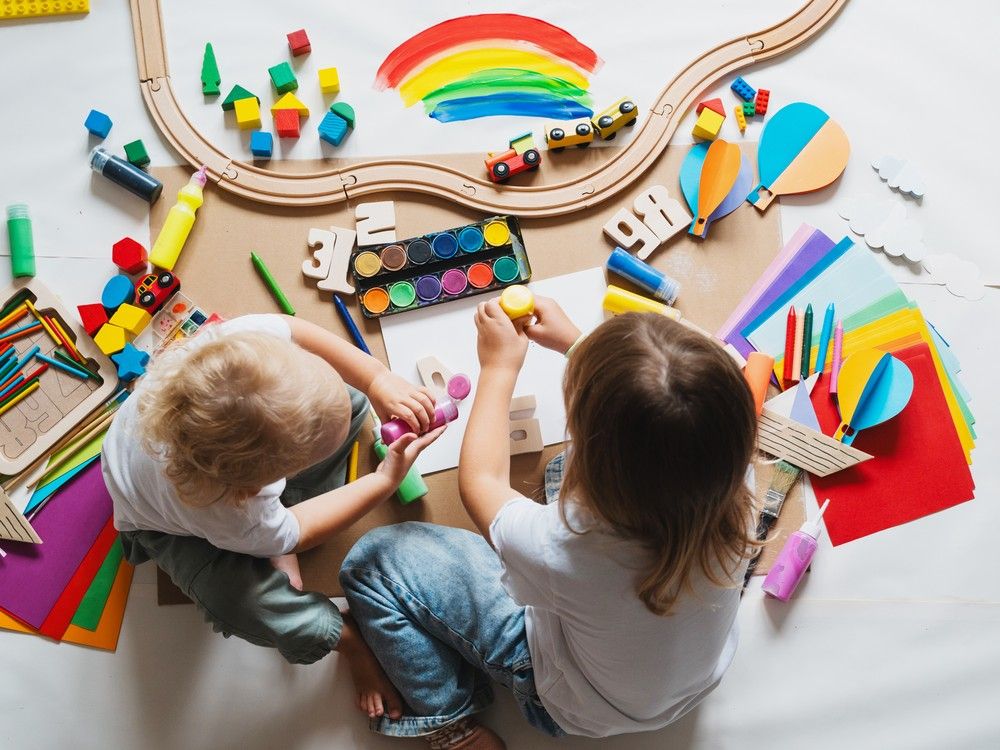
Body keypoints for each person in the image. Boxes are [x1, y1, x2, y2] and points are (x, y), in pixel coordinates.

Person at [341, 297, 759, 749]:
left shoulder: (564, 548)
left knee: (372, 563)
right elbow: (660, 424)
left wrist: (498, 368)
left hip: (566, 702)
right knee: (563, 467)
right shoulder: (736, 482)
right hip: (687, 688)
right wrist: (578, 345)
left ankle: (449, 724)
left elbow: (480, 482)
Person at [102, 313, 443, 719]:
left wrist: (375, 379)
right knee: (246, 603)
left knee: (349, 404)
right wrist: (385, 480)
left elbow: (294, 327)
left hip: (213, 472)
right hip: (164, 527)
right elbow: (298, 532)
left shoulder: (228, 355)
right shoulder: (231, 510)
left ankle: (274, 527)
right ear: (257, 484)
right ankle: (348, 640)